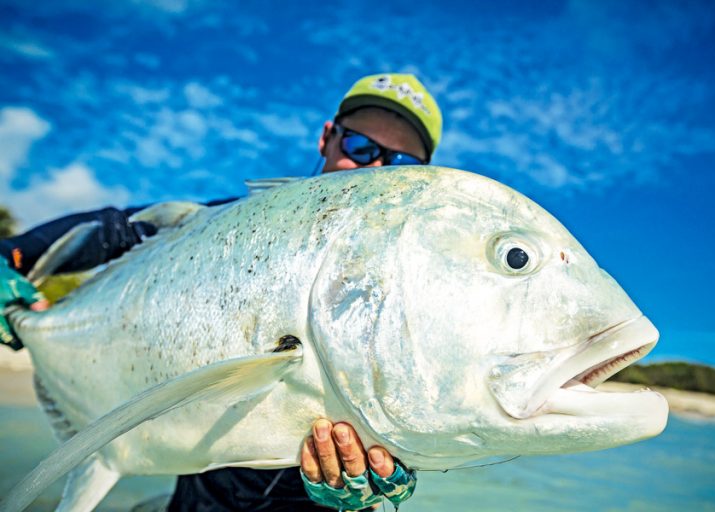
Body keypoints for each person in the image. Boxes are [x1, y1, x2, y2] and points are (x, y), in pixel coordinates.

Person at [0, 73, 443, 511]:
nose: (376, 170)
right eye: (360, 148)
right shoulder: (234, 229)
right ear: (327, 138)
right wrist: (11, 256)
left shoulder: (415, 285)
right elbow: (120, 229)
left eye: (402, 165)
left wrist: (404, 465)